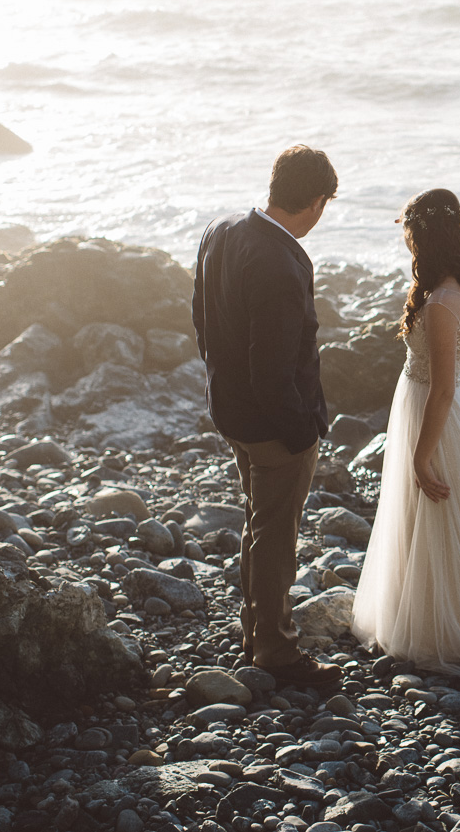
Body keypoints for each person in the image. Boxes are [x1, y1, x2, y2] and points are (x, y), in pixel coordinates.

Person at [350, 189, 460, 673]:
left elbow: (444, 387)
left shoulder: (443, 304)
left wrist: (421, 455)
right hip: (426, 410)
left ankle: (446, 628)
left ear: (426, 239)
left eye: (410, 236)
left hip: (438, 418)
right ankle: (421, 615)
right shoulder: (447, 293)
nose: (407, 245)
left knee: (438, 519)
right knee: (422, 521)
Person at [191, 144, 342, 689]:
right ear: (317, 202)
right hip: (271, 423)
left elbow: (200, 318)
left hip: (230, 410)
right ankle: (275, 650)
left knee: (259, 524)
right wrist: (302, 432)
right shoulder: (280, 262)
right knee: (277, 534)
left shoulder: (223, 228)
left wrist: (219, 385)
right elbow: (273, 370)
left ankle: (255, 630)